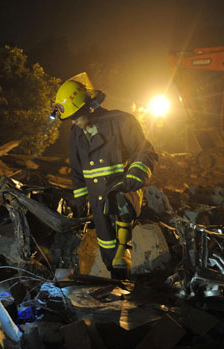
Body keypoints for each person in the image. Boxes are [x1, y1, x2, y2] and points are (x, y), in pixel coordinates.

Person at [52, 74, 158, 278]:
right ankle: (118, 289)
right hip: (98, 202)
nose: (73, 122)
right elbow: (77, 170)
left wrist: (134, 178)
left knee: (121, 249)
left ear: (89, 107)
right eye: (70, 118)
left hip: (123, 194)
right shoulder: (76, 133)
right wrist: (81, 200)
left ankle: (127, 269)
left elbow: (145, 152)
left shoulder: (121, 121)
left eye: (76, 116)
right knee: (108, 251)